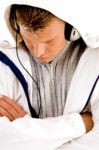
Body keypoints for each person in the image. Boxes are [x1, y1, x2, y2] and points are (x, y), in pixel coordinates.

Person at [0, 0, 96, 145]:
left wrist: (25, 132)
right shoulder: (3, 64)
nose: (38, 52)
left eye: (49, 41)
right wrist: (79, 124)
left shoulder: (96, 63)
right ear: (16, 27)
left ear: (71, 30)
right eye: (28, 40)